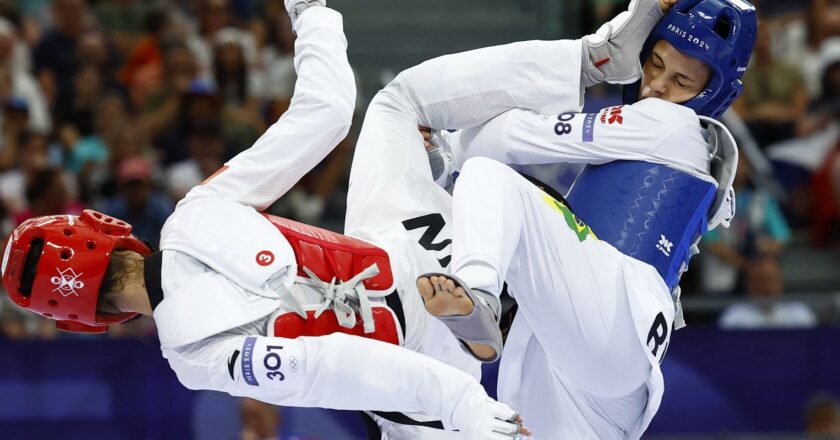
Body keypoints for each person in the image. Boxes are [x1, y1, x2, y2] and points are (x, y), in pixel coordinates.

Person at [0, 2, 526, 439]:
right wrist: (310, 10)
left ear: (82, 318)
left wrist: (463, 407)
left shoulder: (191, 355)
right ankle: (584, 69)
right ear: (106, 231)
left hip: (431, 396)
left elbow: (330, 366)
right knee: (400, 104)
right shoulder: (197, 211)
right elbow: (327, 110)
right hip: (429, 251)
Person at [357, 0, 754, 438]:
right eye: (655, 64)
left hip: (616, 318)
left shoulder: (670, 125)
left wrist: (449, 150)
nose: (656, 86)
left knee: (489, 178)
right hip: (598, 379)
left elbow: (501, 141)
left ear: (714, 93)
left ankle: (481, 298)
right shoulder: (683, 154)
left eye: (680, 80)